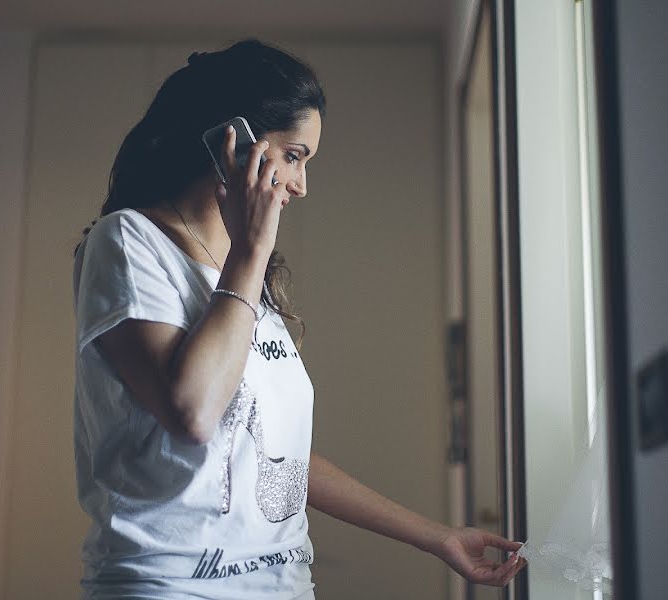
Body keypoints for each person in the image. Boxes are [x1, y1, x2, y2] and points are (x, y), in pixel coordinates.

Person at [72, 39, 526, 599]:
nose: (302, 185)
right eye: (293, 156)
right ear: (230, 142)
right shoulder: (128, 241)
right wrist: (251, 252)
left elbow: (279, 457)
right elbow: (193, 412)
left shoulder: (245, 278)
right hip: (170, 586)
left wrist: (437, 537)